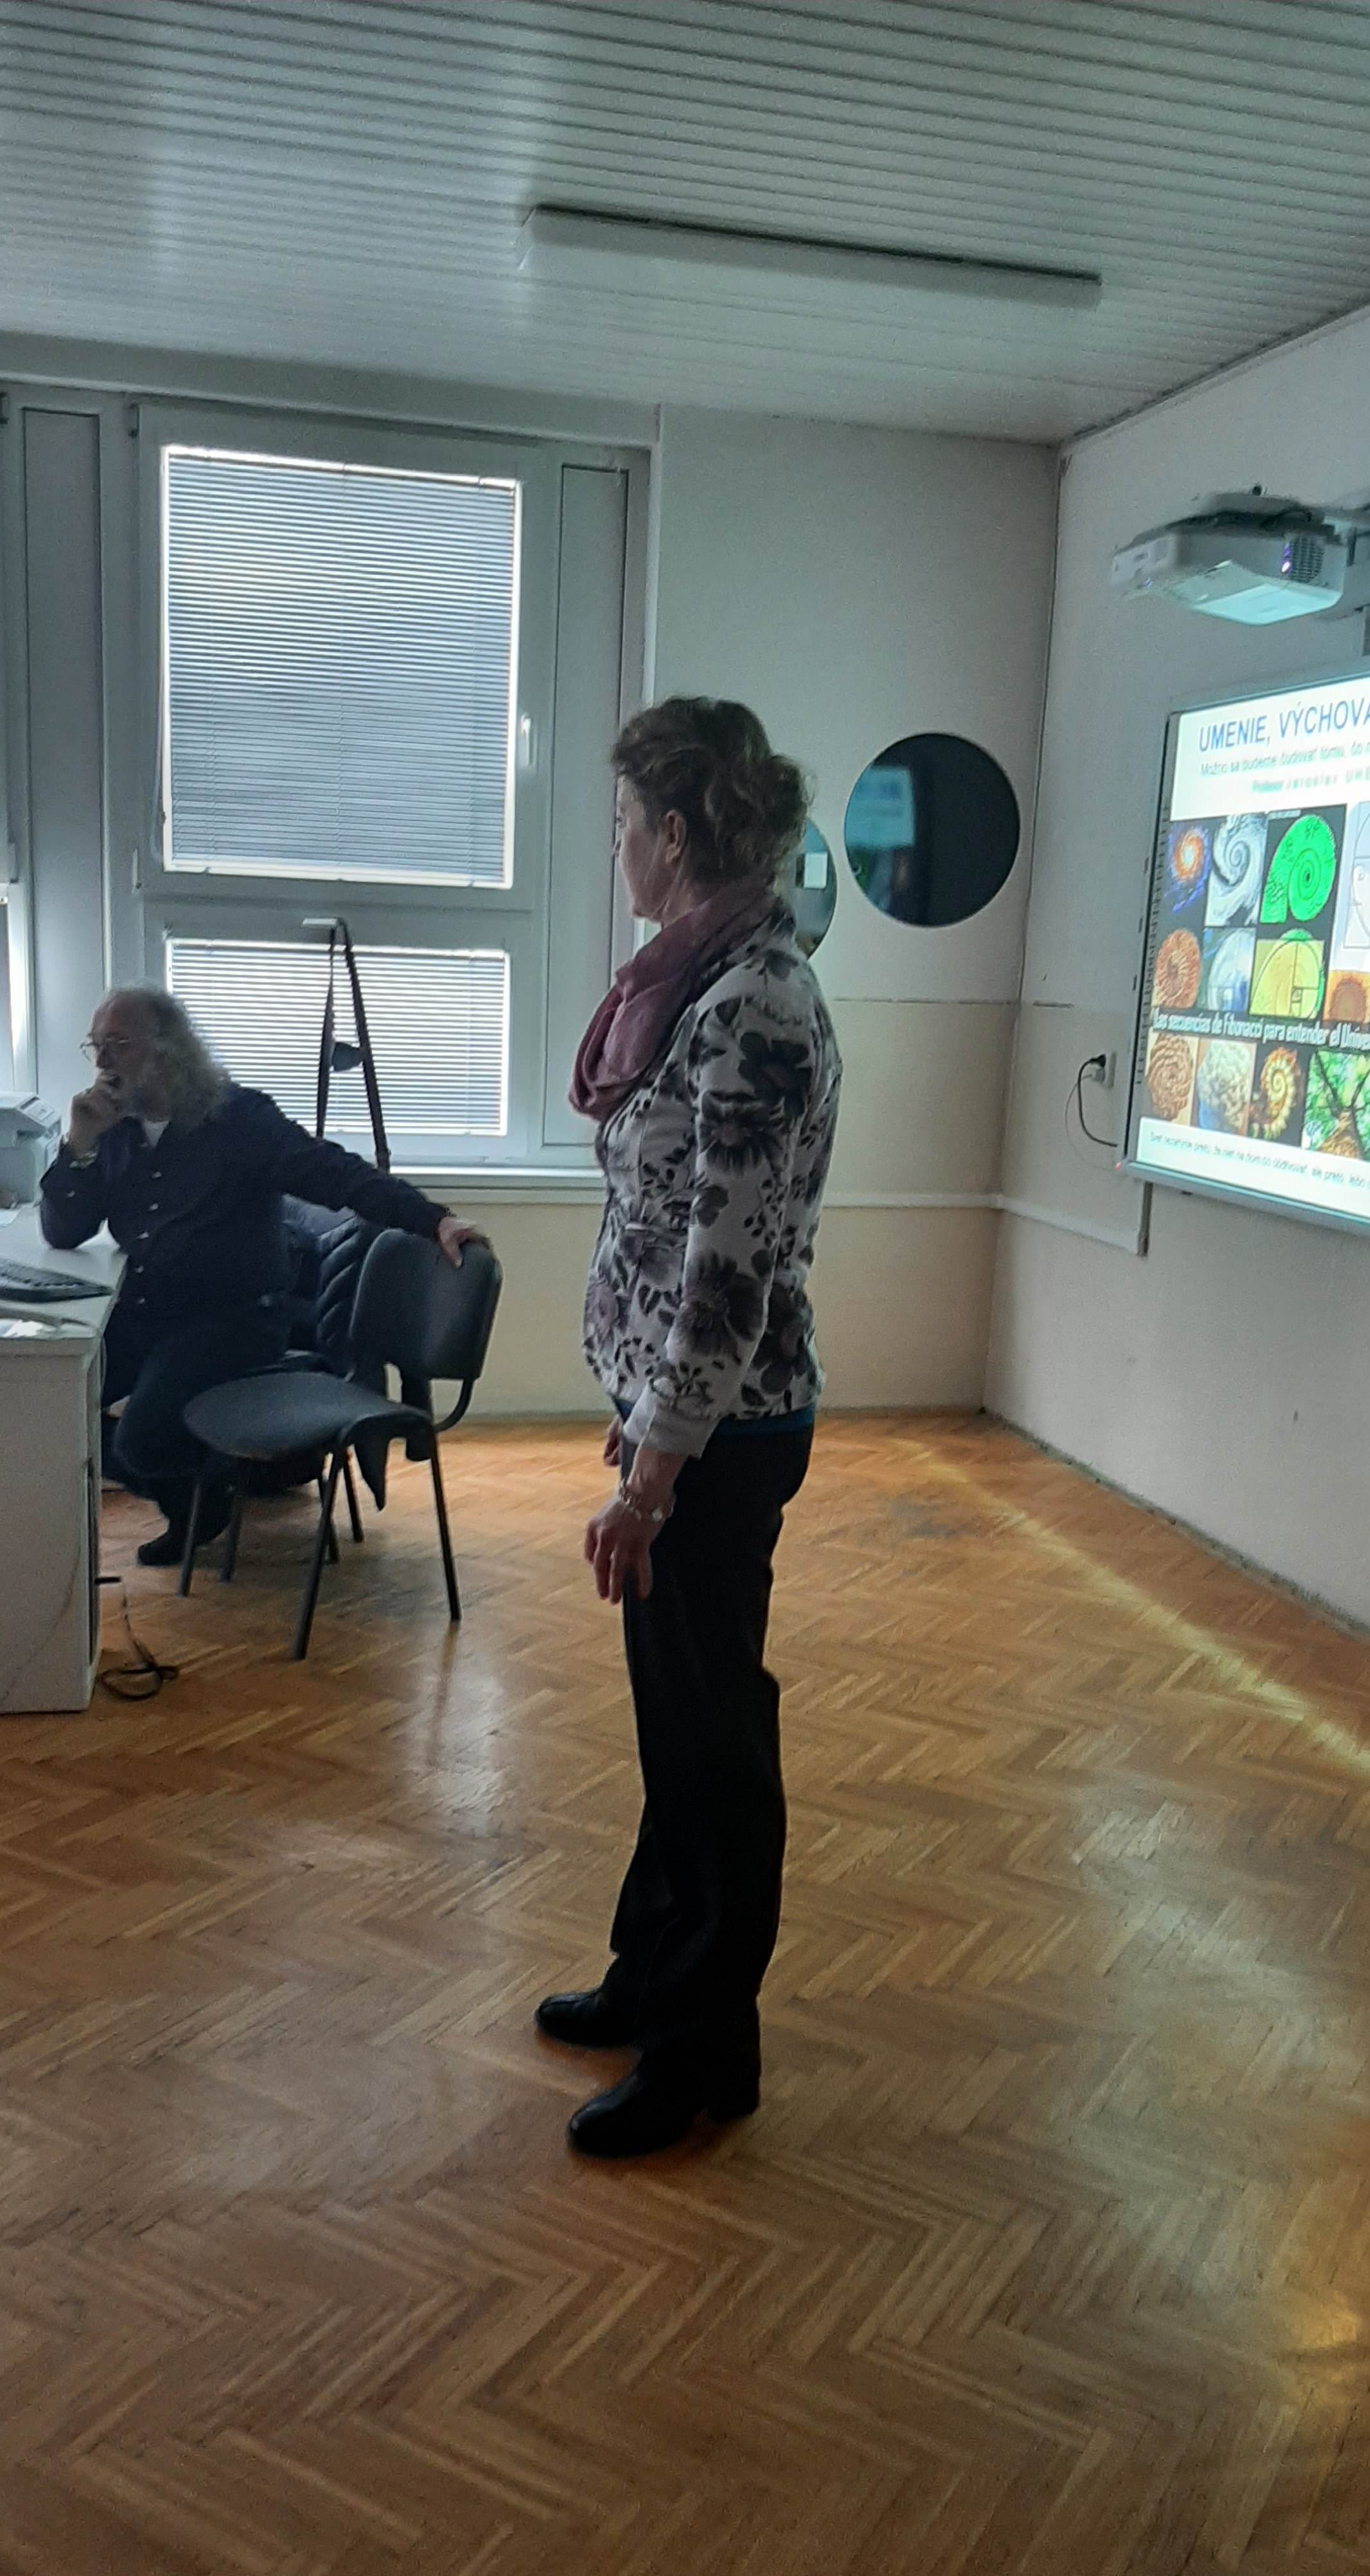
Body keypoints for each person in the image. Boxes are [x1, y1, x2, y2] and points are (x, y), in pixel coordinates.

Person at [537, 698, 842, 2161]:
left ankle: (704, 2054)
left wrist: (654, 1476)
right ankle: (651, 1974)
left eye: (620, 824)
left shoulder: (756, 1005)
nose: (614, 849)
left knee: (715, 1741)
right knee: (680, 1729)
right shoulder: (701, 980)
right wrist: (644, 1419)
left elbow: (727, 1275)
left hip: (721, 1442)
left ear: (671, 833)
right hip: (682, 1421)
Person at [40, 987, 484, 1567]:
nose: (102, 1062)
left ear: (168, 1049)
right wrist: (78, 1145)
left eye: (119, 1044)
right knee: (54, 1402)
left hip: (235, 1321)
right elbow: (64, 1231)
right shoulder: (112, 1129)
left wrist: (433, 1219)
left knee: (140, 1439)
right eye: (95, 1046)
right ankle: (202, 1494)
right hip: (148, 1310)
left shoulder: (237, 1119)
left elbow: (333, 1173)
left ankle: (202, 1500)